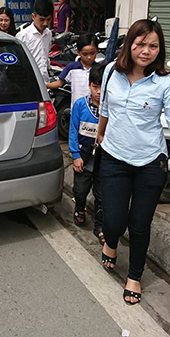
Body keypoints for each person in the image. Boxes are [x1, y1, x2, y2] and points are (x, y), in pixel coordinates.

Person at [95, 18, 170, 305]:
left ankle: (135, 277)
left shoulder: (166, 83)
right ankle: (112, 242)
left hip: (151, 163)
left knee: (140, 225)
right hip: (114, 159)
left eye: (153, 45)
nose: (146, 51)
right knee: (113, 223)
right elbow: (105, 107)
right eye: (140, 44)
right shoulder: (109, 73)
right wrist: (101, 133)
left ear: (160, 50)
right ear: (129, 44)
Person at [68, 64, 104, 244]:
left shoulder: (111, 109)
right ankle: (80, 207)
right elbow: (73, 131)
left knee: (102, 194)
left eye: (102, 87)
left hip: (104, 160)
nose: (98, 92)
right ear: (89, 85)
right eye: (95, 87)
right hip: (83, 156)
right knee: (81, 189)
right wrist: (75, 155)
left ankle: (100, 225)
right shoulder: (80, 105)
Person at [46, 33, 99, 108]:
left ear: (97, 51)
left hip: (95, 109)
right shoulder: (72, 68)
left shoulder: (99, 69)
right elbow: (59, 83)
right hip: (77, 109)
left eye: (92, 53)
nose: (89, 57)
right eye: (85, 54)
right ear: (78, 52)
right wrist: (44, 86)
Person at [15, 0, 53, 82]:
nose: (45, 23)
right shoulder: (23, 36)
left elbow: (45, 57)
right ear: (33, 16)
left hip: (45, 82)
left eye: (48, 20)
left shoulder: (48, 34)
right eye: (42, 20)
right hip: (28, 82)